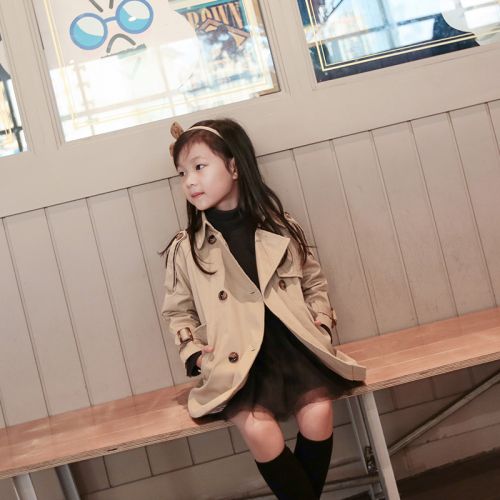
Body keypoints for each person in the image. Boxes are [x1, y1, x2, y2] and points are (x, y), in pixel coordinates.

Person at [160, 118, 366, 499]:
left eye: (200, 167)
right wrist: (196, 355)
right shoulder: (186, 248)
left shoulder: (279, 228)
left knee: (319, 414)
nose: (189, 181)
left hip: (292, 347)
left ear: (234, 166)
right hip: (238, 358)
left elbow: (314, 281)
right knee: (259, 430)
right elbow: (177, 312)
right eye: (182, 173)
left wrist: (321, 326)